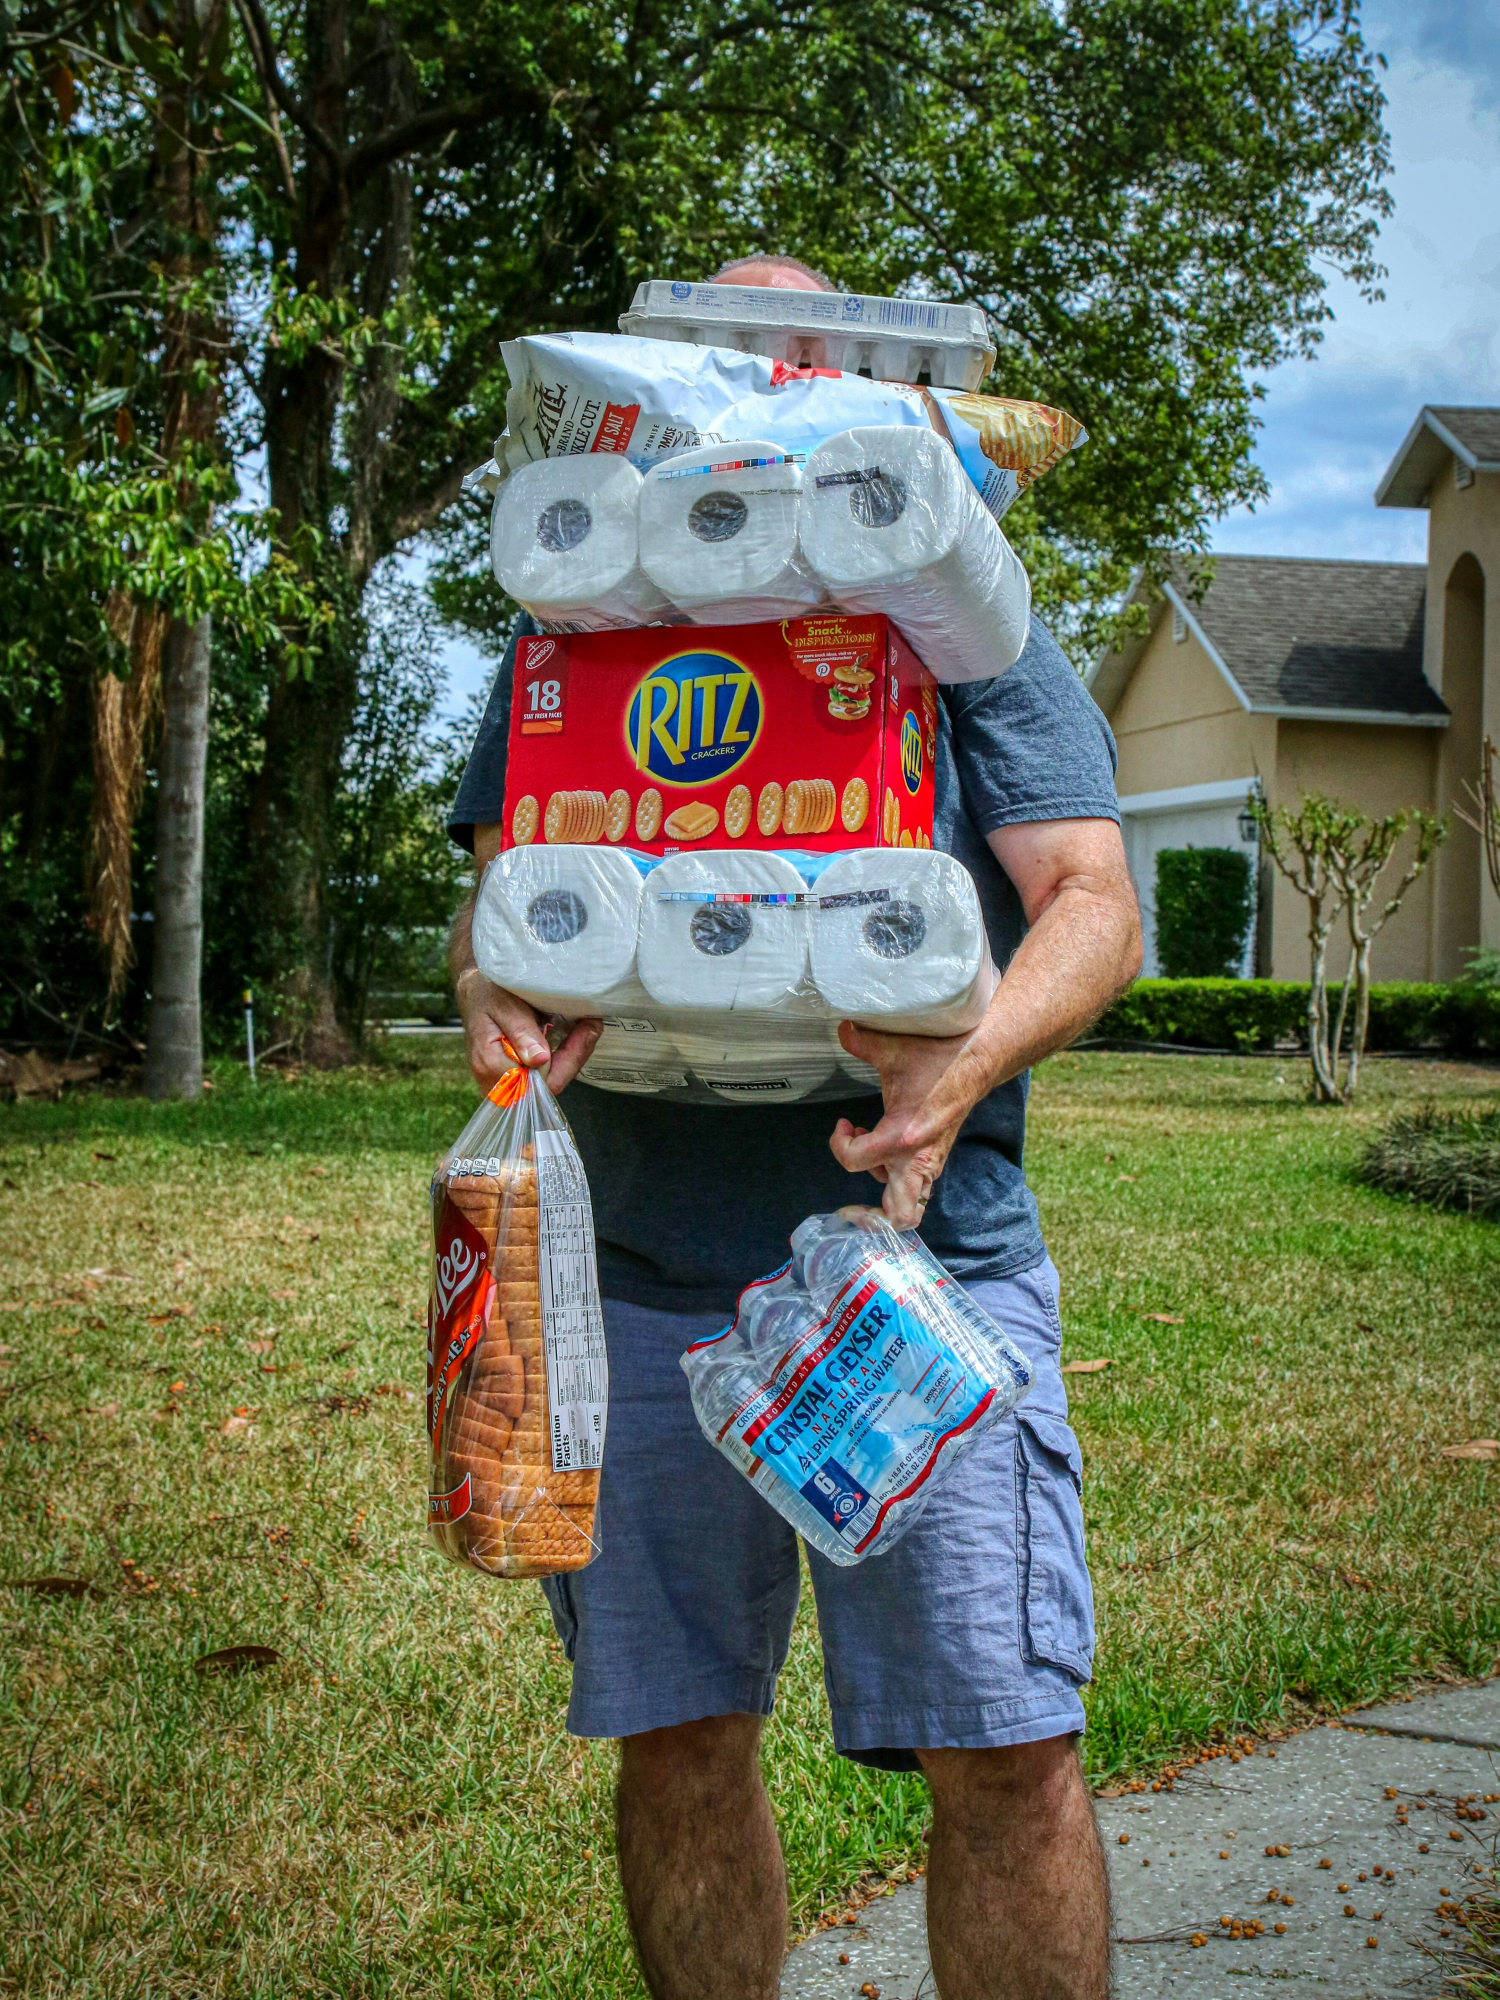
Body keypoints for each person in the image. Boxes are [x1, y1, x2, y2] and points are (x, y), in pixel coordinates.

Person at [447, 251, 1141, 2000]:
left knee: (1002, 1747)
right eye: (708, 364)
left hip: (918, 1281)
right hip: (649, 1281)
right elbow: (503, 905)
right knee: (677, 1740)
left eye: (789, 363)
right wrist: (491, 994)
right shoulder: (579, 617)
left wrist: (966, 1058)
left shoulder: (947, 591)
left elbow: (1095, 901)